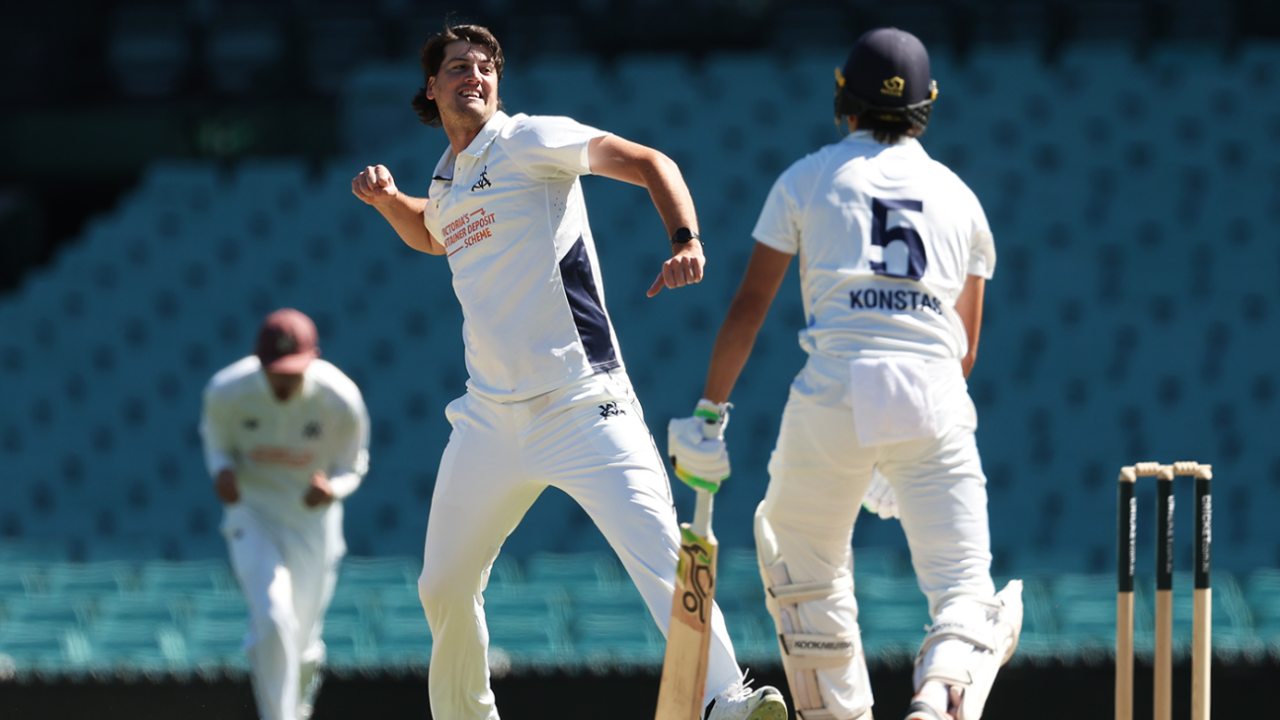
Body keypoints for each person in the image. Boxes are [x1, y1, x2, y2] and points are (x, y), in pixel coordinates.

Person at [349, 22, 785, 720]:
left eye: (486, 66)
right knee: (442, 586)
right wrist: (388, 203)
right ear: (431, 88)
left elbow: (648, 160)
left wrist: (685, 238)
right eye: (458, 66)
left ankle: (722, 698)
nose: (476, 76)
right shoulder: (448, 176)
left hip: (583, 403)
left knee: (664, 549)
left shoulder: (527, 139)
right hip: (489, 419)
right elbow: (433, 233)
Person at [668, 28, 1022, 720]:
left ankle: (840, 713)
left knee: (803, 569)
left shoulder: (808, 177)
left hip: (833, 396)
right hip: (934, 397)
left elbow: (747, 310)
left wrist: (710, 411)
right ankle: (937, 693)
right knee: (963, 590)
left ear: (843, 98)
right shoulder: (962, 199)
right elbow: (965, 351)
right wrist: (901, 445)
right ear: (927, 107)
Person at [200, 308, 370, 720]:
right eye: (276, 370)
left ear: (313, 359)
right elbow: (216, 443)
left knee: (304, 641)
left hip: (312, 523)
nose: (284, 381)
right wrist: (221, 472)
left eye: (293, 371)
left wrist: (332, 490)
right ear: (258, 361)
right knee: (274, 617)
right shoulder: (227, 390)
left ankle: (297, 709)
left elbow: (354, 464)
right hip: (254, 514)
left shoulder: (339, 398)